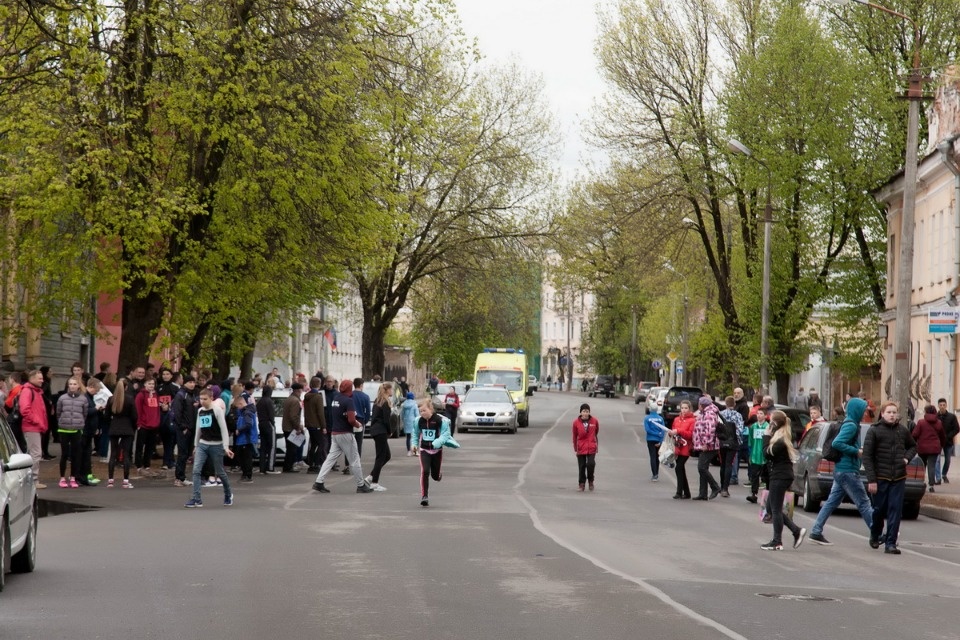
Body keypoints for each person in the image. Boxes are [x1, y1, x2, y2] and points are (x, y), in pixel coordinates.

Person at [808, 397, 874, 545]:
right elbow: (838, 443)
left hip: (842, 470)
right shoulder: (851, 425)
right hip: (847, 470)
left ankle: (816, 531)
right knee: (863, 502)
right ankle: (877, 532)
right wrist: (856, 451)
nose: (865, 413)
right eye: (863, 410)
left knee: (831, 502)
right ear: (856, 410)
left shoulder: (850, 423)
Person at [863, 401, 917, 554]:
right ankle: (875, 534)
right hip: (880, 478)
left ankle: (891, 543)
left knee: (895, 510)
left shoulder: (902, 431)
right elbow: (867, 457)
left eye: (894, 412)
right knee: (879, 510)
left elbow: (913, 446)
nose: (892, 415)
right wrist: (872, 480)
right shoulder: (874, 431)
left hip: (898, 478)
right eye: (889, 412)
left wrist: (906, 458)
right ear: (882, 414)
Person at [311, 379, 373, 494]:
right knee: (355, 459)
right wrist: (358, 424)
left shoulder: (336, 399)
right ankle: (361, 485)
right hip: (345, 433)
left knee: (330, 459)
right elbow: (351, 419)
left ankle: (319, 482)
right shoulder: (348, 401)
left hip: (335, 433)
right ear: (350, 389)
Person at [760, 410, 805, 551]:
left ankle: (777, 541)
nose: (768, 423)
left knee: (775, 509)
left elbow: (766, 453)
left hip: (780, 476)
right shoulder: (779, 436)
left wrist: (766, 436)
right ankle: (796, 530)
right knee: (773, 508)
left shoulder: (781, 440)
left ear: (774, 424)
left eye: (770, 421)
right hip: (778, 475)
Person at [184, 388, 235, 507]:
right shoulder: (200, 411)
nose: (202, 401)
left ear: (211, 398)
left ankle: (228, 494)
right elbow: (198, 429)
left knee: (220, 472)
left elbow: (224, 430)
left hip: (216, 445)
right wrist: (196, 445)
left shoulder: (217, 410)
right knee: (196, 471)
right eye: (200, 399)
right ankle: (197, 499)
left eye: (205, 399)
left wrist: (226, 447)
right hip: (203, 444)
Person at [411, 400, 458, 506]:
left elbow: (446, 434)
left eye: (424, 410)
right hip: (424, 450)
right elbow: (415, 434)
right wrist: (414, 445)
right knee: (425, 471)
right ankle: (424, 496)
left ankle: (437, 475)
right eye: (420, 411)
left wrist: (438, 442)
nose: (422, 413)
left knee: (435, 476)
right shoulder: (419, 421)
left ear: (430, 409)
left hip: (437, 451)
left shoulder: (439, 420)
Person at [55, 377, 87, 488]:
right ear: (68, 385)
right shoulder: (62, 398)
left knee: (76, 455)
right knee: (64, 454)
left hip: (77, 429)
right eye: (70, 384)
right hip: (64, 429)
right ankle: (62, 477)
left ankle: (73, 477)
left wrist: (79, 423)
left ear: (78, 386)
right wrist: (62, 421)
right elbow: (58, 412)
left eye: (74, 384)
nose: (72, 386)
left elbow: (85, 413)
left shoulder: (83, 399)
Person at [20, 370, 49, 489]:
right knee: (35, 454)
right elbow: (25, 410)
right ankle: (33, 480)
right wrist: (37, 421)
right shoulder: (28, 391)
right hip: (32, 427)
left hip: (35, 427)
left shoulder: (35, 391)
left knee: (33, 454)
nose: (42, 380)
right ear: (31, 378)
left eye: (42, 378)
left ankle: (31, 480)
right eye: (39, 378)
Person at [108, 379, 137, 489]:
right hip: (127, 428)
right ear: (126, 388)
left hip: (114, 427)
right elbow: (134, 416)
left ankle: (110, 480)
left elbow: (106, 416)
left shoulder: (111, 399)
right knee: (126, 454)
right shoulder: (129, 399)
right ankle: (125, 480)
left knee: (113, 454)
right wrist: (133, 427)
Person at [171, 375, 199, 487]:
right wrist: (183, 427)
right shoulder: (181, 395)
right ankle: (179, 478)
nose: (192, 384)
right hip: (184, 428)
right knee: (182, 453)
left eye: (193, 382)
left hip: (192, 428)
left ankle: (181, 476)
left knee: (187, 454)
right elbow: (177, 413)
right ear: (185, 383)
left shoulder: (193, 395)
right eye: (190, 382)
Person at [366, 383, 394, 491]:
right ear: (387, 390)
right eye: (391, 389)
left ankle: (371, 476)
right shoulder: (385, 402)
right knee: (380, 457)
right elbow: (386, 420)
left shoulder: (377, 401)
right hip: (381, 431)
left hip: (375, 430)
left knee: (387, 455)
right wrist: (390, 431)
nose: (392, 391)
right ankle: (374, 482)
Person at [692, 396, 721, 500]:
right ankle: (702, 493)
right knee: (703, 468)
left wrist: (705, 443)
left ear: (702, 405)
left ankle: (715, 487)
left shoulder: (709, 414)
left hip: (709, 446)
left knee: (702, 467)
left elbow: (709, 431)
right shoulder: (704, 413)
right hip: (704, 445)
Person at [911, 405, 945, 492]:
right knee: (932, 466)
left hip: (922, 447)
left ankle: (920, 482)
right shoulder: (939, 423)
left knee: (922, 466)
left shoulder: (921, 422)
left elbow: (915, 434)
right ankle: (931, 485)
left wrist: (914, 443)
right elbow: (942, 436)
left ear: (926, 412)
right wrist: (941, 445)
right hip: (934, 448)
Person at [666, 400, 694, 499]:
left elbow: (690, 434)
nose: (684, 410)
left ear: (689, 409)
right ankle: (687, 493)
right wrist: (671, 433)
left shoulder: (692, 420)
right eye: (682, 408)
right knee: (681, 469)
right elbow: (673, 430)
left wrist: (679, 431)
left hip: (686, 447)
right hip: (677, 446)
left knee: (679, 468)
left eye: (686, 408)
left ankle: (679, 491)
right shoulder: (677, 419)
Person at [134, 377, 162, 477]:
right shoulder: (141, 395)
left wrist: (157, 421)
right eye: (149, 384)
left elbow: (157, 410)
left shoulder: (156, 395)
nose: (151, 386)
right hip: (143, 425)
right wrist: (139, 423)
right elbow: (138, 410)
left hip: (154, 425)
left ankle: (147, 465)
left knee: (150, 447)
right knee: (140, 446)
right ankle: (138, 465)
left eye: (152, 384)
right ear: (145, 384)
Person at [232, 384, 259, 483]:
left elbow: (248, 424)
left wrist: (239, 429)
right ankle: (245, 475)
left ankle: (247, 475)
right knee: (243, 458)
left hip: (246, 439)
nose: (237, 408)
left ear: (241, 403)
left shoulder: (246, 412)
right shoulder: (246, 412)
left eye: (237, 406)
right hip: (244, 439)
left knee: (246, 459)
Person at [718, 396, 743, 497]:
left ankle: (721, 486)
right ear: (734, 404)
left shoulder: (721, 414)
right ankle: (725, 488)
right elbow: (740, 430)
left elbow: (718, 428)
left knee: (723, 464)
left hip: (722, 442)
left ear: (725, 403)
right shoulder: (738, 415)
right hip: (733, 442)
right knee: (729, 464)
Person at [572, 403, 600, 491]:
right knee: (582, 465)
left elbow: (596, 432)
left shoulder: (594, 421)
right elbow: (574, 436)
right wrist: (575, 448)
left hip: (591, 446)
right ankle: (581, 484)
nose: (585, 413)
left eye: (587, 411)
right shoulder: (576, 422)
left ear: (589, 412)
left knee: (591, 464)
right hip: (581, 446)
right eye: (584, 411)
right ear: (580, 412)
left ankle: (591, 480)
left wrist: (594, 442)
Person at [303, 376, 327, 472]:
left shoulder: (307, 396)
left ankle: (311, 463)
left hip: (309, 424)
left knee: (313, 445)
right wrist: (324, 426)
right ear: (319, 385)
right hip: (316, 424)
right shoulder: (318, 397)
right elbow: (320, 413)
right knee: (321, 444)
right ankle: (316, 464)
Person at [745, 407, 769, 504]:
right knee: (754, 475)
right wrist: (750, 454)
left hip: (764, 455)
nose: (759, 415)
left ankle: (768, 495)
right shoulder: (753, 427)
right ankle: (754, 494)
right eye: (758, 414)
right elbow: (750, 441)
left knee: (766, 477)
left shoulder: (768, 427)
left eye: (761, 414)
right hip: (755, 454)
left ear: (765, 416)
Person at [281, 383, 305, 473]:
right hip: (291, 428)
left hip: (286, 427)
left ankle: (287, 466)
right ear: (298, 390)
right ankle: (288, 466)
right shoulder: (295, 401)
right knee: (292, 449)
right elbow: (294, 416)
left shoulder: (289, 399)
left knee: (290, 448)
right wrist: (298, 428)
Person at [256, 383, 279, 474]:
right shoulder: (269, 401)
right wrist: (273, 424)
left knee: (263, 446)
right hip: (268, 424)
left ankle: (262, 468)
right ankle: (270, 467)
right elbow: (271, 415)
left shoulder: (260, 401)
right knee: (272, 445)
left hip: (261, 423)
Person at [937, 398, 959, 483]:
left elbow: (957, 429)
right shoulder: (936, 417)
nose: (942, 407)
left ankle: (944, 474)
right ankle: (938, 477)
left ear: (946, 406)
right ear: (938, 406)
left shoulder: (952, 417)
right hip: (938, 442)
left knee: (948, 460)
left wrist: (948, 436)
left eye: (943, 405)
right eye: (940, 405)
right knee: (937, 460)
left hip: (948, 442)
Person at [643, 404, 665, 482]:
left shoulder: (647, 418)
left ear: (650, 409)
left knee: (652, 456)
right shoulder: (660, 419)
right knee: (657, 457)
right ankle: (657, 473)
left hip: (650, 439)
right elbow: (663, 430)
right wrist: (660, 439)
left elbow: (647, 430)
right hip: (658, 440)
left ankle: (654, 474)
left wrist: (655, 434)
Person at [401, 391, 419, 455]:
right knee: (414, 437)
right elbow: (416, 414)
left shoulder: (403, 405)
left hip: (406, 421)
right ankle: (415, 451)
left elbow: (402, 414)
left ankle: (408, 451)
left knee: (408, 437)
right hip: (413, 421)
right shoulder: (414, 405)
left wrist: (403, 420)